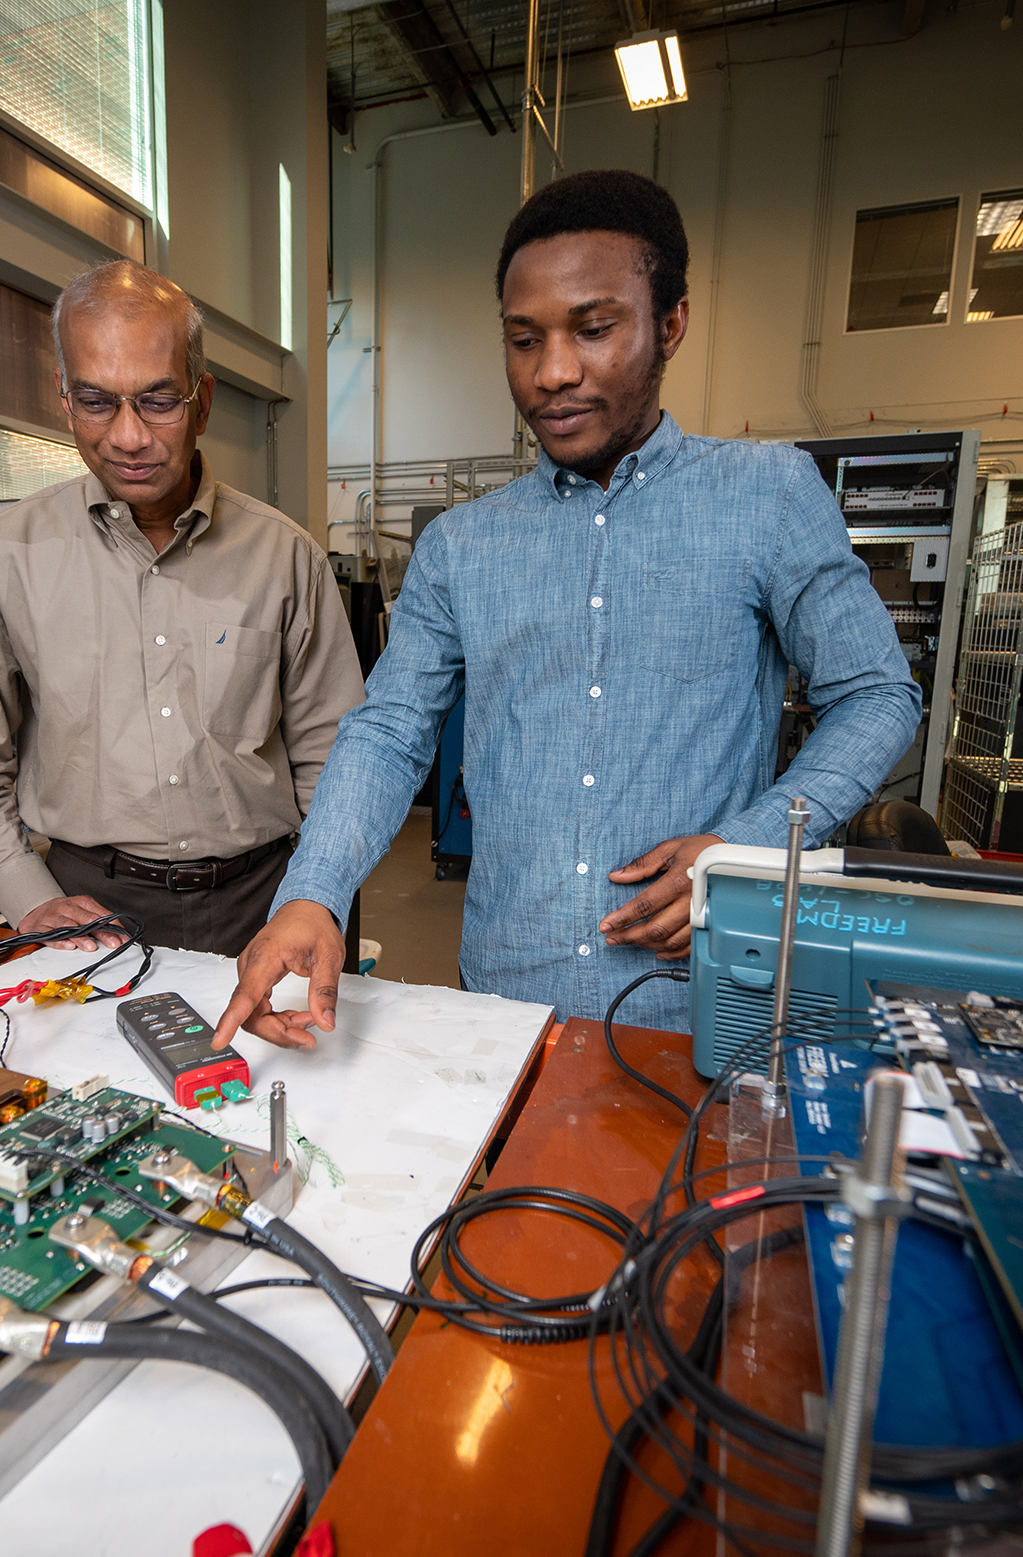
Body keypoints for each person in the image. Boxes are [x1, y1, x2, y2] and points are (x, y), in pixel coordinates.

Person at [213, 170, 919, 1050]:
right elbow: (390, 730)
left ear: (670, 323)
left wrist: (749, 847)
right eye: (523, 339)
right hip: (505, 1000)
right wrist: (311, 892)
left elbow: (878, 695)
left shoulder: (768, 496)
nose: (553, 373)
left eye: (594, 329)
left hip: (698, 1002)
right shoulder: (462, 545)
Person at [0, 262, 364, 957]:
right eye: (96, 401)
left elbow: (338, 759)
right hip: (87, 911)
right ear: (65, 402)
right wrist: (26, 895)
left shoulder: (286, 557)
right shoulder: (5, 556)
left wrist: (318, 894)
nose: (127, 435)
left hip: (268, 900)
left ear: (203, 400)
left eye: (158, 400)